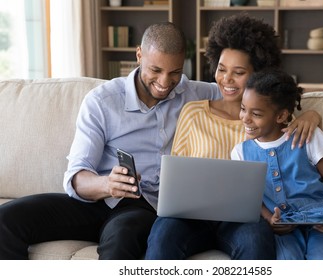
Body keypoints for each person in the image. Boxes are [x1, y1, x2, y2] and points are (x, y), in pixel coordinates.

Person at [0, 22, 223, 260]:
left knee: (122, 235)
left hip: (142, 206)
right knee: (7, 219)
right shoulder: (102, 101)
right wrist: (107, 184)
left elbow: (243, 92)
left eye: (175, 72)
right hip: (96, 199)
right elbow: (77, 175)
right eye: (155, 70)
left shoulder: (195, 94)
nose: (165, 82)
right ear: (139, 54)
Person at [145, 14, 323, 260]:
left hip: (245, 218)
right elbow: (177, 172)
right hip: (190, 217)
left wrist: (313, 115)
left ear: (258, 74)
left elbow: (296, 125)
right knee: (162, 235)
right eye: (221, 69)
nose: (226, 79)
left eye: (238, 72)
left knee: (255, 242)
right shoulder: (193, 112)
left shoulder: (269, 120)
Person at [231, 69, 323, 260]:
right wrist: (270, 219)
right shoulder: (240, 152)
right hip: (283, 231)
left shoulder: (308, 137)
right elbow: (252, 199)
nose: (245, 118)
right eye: (243, 108)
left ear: (281, 116)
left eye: (256, 114)